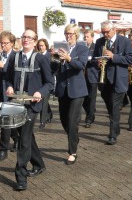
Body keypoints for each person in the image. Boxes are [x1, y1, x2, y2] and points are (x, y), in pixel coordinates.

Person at [6, 29, 54, 191]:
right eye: (23, 37)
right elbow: (7, 77)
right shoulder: (15, 57)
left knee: (23, 141)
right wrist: (10, 86)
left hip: (32, 106)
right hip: (17, 104)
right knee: (26, 136)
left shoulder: (41, 58)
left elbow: (49, 82)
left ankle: (21, 177)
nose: (25, 39)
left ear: (35, 41)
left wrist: (40, 92)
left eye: (29, 37)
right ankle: (39, 164)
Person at [93, 20, 132, 145]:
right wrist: (97, 62)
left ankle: (112, 135)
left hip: (118, 80)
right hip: (104, 81)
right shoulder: (99, 42)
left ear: (113, 30)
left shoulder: (125, 41)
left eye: (107, 32)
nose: (105, 35)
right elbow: (94, 58)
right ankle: (116, 128)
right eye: (103, 32)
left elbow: (129, 59)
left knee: (115, 107)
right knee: (110, 107)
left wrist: (114, 56)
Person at [55, 24, 88, 165]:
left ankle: (72, 152)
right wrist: (54, 58)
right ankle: (74, 138)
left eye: (70, 34)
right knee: (63, 119)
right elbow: (53, 68)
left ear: (76, 35)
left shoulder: (82, 48)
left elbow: (81, 65)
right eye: (66, 33)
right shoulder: (60, 47)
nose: (68, 36)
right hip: (63, 88)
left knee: (72, 119)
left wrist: (69, 59)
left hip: (77, 90)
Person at [0, 31, 19, 161]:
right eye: (1, 43)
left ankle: (3, 150)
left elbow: (16, 73)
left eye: (6, 43)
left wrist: (3, 66)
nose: (3, 46)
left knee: (5, 121)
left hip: (9, 91)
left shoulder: (16, 56)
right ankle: (16, 138)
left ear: (12, 43)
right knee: (6, 120)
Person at [82, 29, 98, 128]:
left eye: (87, 37)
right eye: (84, 37)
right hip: (83, 77)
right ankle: (91, 113)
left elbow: (97, 61)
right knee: (83, 99)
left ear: (92, 37)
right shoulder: (82, 47)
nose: (86, 39)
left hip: (92, 76)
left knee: (92, 99)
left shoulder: (95, 48)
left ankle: (89, 119)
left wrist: (90, 60)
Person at [37, 38, 53, 128]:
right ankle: (49, 113)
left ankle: (42, 122)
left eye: (42, 46)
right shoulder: (37, 55)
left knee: (44, 101)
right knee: (44, 101)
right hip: (39, 81)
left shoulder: (50, 55)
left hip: (48, 81)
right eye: (39, 46)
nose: (40, 47)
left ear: (46, 46)